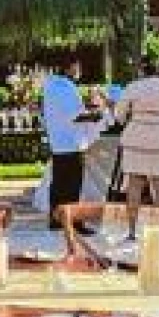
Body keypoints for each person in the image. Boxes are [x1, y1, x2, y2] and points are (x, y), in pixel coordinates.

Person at [110, 66, 159, 220]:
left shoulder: (133, 87)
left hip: (137, 136)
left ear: (142, 72)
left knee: (134, 184)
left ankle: (132, 228)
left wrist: (125, 119)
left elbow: (119, 114)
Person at [40, 60, 96, 224]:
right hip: (71, 141)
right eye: (76, 67)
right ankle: (73, 220)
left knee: (58, 183)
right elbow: (74, 115)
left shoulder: (50, 86)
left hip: (58, 141)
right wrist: (95, 116)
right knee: (72, 184)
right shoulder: (65, 87)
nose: (78, 70)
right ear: (68, 68)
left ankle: (56, 219)